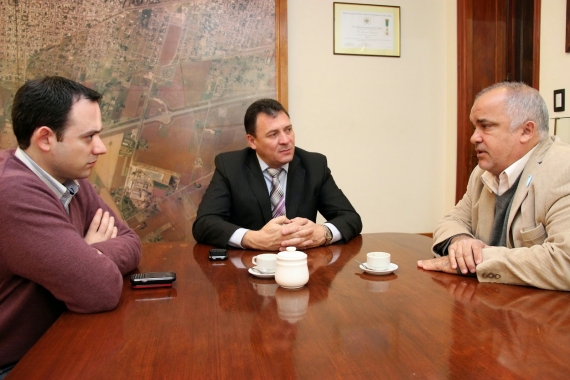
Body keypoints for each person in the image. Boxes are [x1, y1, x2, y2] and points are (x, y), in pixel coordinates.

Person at [0, 76, 141, 376]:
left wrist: (90, 253)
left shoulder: (70, 178)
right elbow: (99, 288)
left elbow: (131, 241)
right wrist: (85, 258)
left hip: (56, 338)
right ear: (45, 139)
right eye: (88, 137)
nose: (101, 148)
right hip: (16, 363)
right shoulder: (12, 193)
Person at [417, 81, 570, 291]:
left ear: (526, 131)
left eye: (486, 126)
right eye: (474, 127)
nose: (473, 138)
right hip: (491, 304)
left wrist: (478, 261)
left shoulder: (564, 168)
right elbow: (453, 219)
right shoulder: (483, 172)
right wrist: (461, 241)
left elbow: (565, 261)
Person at [192, 98, 362, 251]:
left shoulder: (314, 165)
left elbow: (350, 218)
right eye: (273, 134)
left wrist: (324, 232)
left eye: (288, 130)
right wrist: (252, 238)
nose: (285, 140)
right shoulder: (230, 166)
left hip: (302, 267)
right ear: (252, 141)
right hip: (247, 269)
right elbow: (204, 223)